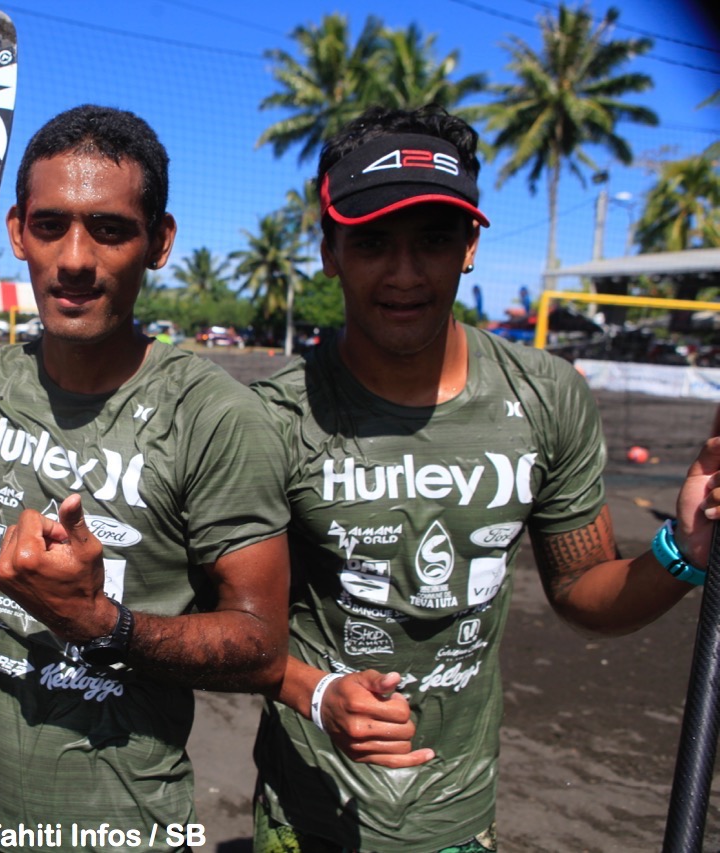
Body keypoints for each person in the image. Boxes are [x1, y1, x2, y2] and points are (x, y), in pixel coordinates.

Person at [248, 104, 719, 853]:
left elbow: (584, 589)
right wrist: (317, 692)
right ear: (329, 248)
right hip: (305, 820)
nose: (405, 274)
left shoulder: (546, 396)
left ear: (470, 245)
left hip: (459, 824)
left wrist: (683, 550)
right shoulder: (271, 415)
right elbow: (234, 628)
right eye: (372, 242)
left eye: (434, 240)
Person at [0, 105, 292, 851]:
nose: (75, 258)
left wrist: (99, 622)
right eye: (52, 225)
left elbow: (260, 645)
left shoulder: (214, 415)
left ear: (159, 241)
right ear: (18, 229)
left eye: (111, 229)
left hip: (128, 827)